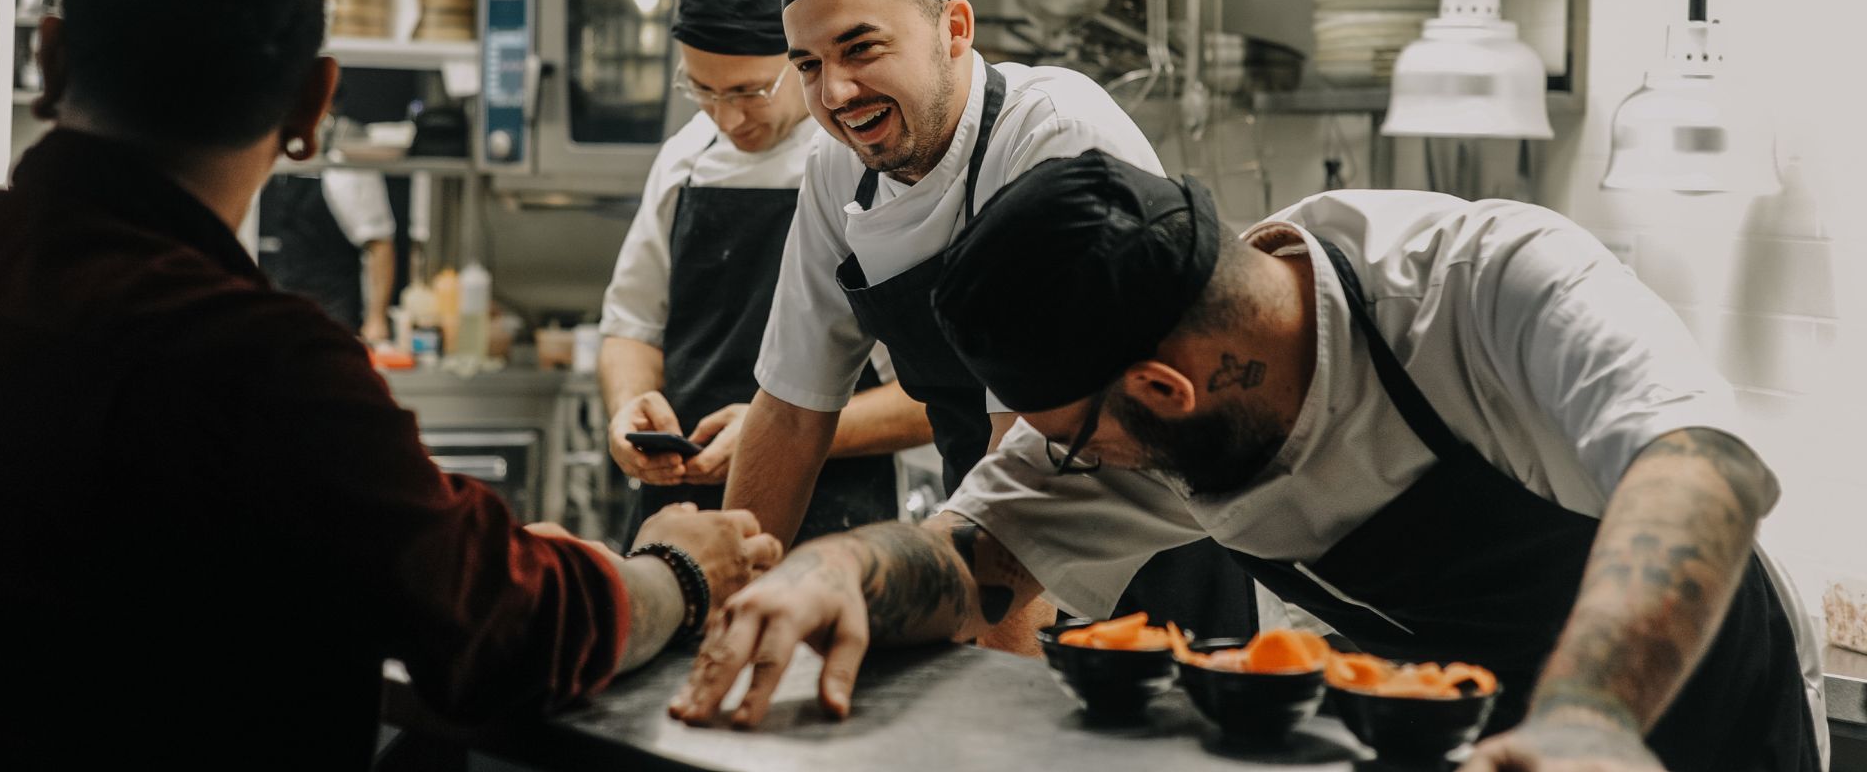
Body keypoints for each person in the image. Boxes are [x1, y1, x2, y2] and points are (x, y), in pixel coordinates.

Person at [0, 0, 780, 767]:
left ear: (51, 58)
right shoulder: (258, 366)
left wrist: (475, 548)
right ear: (314, 106)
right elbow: (503, 628)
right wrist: (677, 571)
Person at [669, 153, 1826, 772]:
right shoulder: (1133, 396)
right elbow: (966, 557)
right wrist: (836, 569)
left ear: (1163, 389)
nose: (1072, 467)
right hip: (1462, 736)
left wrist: (1589, 719)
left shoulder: (1483, 279)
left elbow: (1699, 464)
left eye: (1072, 438)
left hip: (1688, 714)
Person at [718, 0, 1254, 646]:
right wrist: (722, 611)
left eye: (862, 49)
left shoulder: (1052, 136)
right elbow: (790, 411)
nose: (835, 93)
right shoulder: (837, 168)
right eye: (809, 66)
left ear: (955, 30)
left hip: (1135, 550)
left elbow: (1028, 435)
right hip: (980, 539)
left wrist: (996, 687)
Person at [599, 0, 930, 544]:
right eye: (703, 91)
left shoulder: (869, 166)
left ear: (803, 61)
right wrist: (630, 405)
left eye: (748, 92)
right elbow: (631, 326)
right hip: (677, 510)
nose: (727, 120)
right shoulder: (684, 159)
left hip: (835, 521)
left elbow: (928, 400)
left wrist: (768, 431)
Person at [258, 163, 397, 343]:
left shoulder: (347, 172)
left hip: (333, 315)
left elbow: (379, 244)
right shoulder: (273, 167)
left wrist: (376, 319)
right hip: (282, 312)